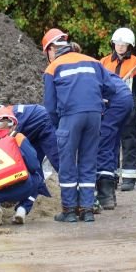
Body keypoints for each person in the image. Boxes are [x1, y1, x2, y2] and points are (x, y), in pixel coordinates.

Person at [41, 28, 116, 223]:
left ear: (51, 49)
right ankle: (87, 210)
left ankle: (69, 211)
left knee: (67, 163)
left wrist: (59, 126)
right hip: (94, 116)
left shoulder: (53, 68)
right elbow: (111, 87)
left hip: (70, 117)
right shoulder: (93, 61)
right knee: (88, 161)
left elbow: (49, 106)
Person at [0, 106, 46, 226]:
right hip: (24, 187)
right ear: (14, 124)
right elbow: (33, 165)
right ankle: (22, 209)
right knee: (38, 177)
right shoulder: (18, 137)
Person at [99, 27, 136, 192]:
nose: (120, 46)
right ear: (113, 44)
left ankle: (128, 178)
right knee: (109, 144)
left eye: (124, 44)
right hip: (109, 111)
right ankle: (110, 176)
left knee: (130, 144)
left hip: (130, 111)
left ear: (130, 45)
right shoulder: (103, 63)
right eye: (117, 43)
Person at [0, 101, 59, 174]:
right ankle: (38, 189)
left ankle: (70, 185)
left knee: (57, 160)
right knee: (33, 163)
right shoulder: (7, 112)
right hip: (37, 127)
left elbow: (6, 142)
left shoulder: (6, 118)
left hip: (45, 124)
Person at [95, 72, 133, 210]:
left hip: (116, 101)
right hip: (125, 98)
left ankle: (106, 196)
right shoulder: (94, 67)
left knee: (103, 143)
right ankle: (109, 191)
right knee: (112, 143)